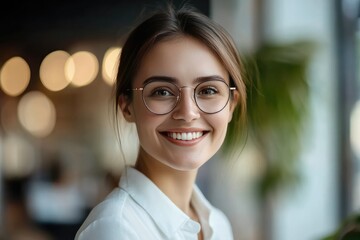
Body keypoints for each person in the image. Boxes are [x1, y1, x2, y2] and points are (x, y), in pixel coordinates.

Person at [75, 2, 246, 240]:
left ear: (231, 104)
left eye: (207, 90)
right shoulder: (115, 230)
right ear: (126, 106)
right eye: (162, 92)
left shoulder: (218, 225)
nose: (187, 113)